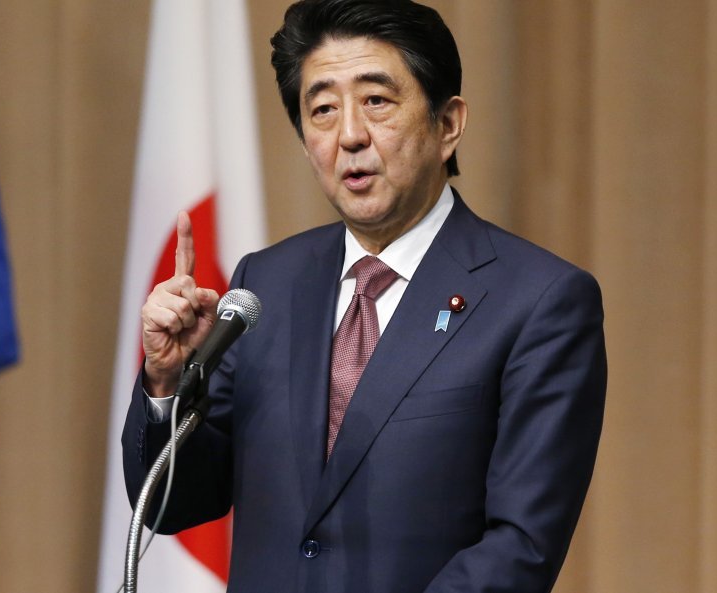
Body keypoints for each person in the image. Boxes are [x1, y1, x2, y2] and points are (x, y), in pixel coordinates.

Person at [122, 0, 606, 591]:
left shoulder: (540, 301)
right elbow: (176, 504)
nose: (349, 135)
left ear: (447, 124)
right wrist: (167, 385)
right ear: (304, 141)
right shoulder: (265, 284)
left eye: (376, 101)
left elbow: (521, 547)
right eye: (322, 109)